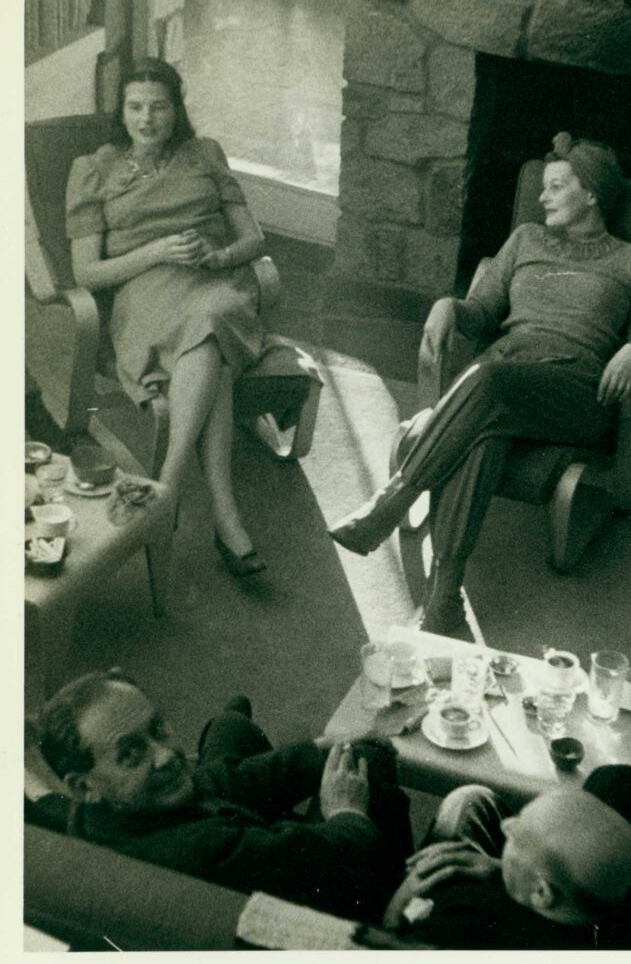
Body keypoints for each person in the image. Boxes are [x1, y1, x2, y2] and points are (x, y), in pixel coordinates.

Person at [330, 132, 631, 631]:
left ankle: (395, 498)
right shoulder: (525, 239)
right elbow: (482, 312)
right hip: (504, 381)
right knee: (483, 433)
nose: (541, 197)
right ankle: (445, 599)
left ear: (591, 194)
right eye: (543, 188)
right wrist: (447, 304)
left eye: (555, 187)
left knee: (486, 381)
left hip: (574, 390)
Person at [66, 58, 268, 577]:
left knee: (212, 317)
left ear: (177, 110)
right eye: (135, 106)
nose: (147, 118)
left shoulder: (206, 154)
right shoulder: (95, 168)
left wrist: (218, 257)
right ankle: (223, 515)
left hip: (216, 281)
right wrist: (156, 251)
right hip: (145, 293)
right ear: (122, 112)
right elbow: (87, 271)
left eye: (159, 106)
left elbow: (254, 239)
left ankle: (167, 485)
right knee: (212, 351)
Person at [36, 670, 412, 923]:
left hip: (217, 829)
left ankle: (238, 728)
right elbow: (333, 849)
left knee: (227, 728)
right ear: (82, 786)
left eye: (158, 729)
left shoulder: (96, 815)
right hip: (321, 893)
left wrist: (318, 750)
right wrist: (346, 812)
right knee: (365, 763)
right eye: (130, 753)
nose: (164, 754)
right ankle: (404, 882)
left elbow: (208, 784)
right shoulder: (204, 848)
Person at [380, 766, 631, 949]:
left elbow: (387, 937)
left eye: (518, 835)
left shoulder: (459, 918)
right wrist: (507, 870)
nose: (506, 825)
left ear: (542, 893)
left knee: (469, 802)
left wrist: (408, 889)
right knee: (624, 783)